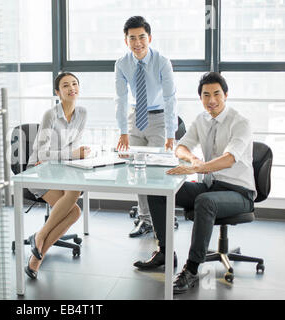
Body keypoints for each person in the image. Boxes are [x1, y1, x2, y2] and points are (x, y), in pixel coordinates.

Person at [133, 72, 256, 294]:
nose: (212, 100)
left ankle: (191, 269)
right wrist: (193, 159)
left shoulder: (240, 122)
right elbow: (180, 146)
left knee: (205, 201)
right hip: (211, 185)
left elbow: (229, 159)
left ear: (226, 95)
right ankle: (165, 252)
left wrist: (197, 168)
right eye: (206, 95)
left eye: (217, 94)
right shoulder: (202, 119)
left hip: (240, 193)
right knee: (159, 191)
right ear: (201, 98)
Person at [114, 16, 178, 237]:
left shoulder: (162, 61)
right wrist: (123, 131)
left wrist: (171, 133)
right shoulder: (122, 64)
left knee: (158, 171)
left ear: (149, 38)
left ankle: (165, 218)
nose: (137, 42)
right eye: (132, 38)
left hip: (159, 119)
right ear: (126, 40)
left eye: (142, 37)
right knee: (136, 169)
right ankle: (145, 220)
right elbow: (120, 99)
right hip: (135, 118)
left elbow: (170, 99)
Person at [24, 72, 90, 279]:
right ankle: (38, 252)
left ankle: (39, 240)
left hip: (62, 168)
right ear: (57, 92)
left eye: (75, 84)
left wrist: (80, 155)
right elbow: (42, 153)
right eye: (65, 86)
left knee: (75, 207)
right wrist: (71, 154)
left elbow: (74, 145)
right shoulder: (50, 115)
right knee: (74, 211)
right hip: (39, 170)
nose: (72, 88)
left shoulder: (82, 113)